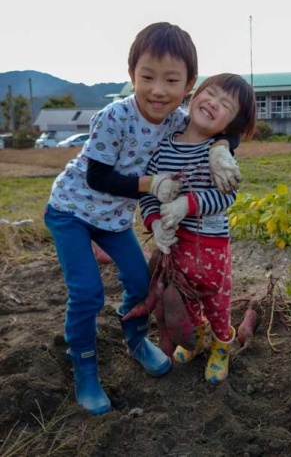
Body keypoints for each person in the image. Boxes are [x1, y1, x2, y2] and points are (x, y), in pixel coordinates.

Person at [44, 22, 242, 416]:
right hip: (71, 211)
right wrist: (151, 184)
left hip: (113, 220)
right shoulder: (114, 117)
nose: (158, 90)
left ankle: (136, 340)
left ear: (189, 84)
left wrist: (222, 149)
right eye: (147, 77)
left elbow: (220, 127)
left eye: (172, 80)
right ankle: (85, 367)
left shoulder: (178, 119)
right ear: (131, 73)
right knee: (87, 293)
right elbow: (96, 177)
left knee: (139, 281)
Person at [139, 73, 257, 384]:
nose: (213, 104)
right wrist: (154, 223)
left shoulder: (219, 155)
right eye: (211, 93)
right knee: (184, 297)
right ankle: (199, 335)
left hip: (211, 246)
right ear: (195, 94)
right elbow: (149, 193)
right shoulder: (162, 148)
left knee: (216, 300)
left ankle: (221, 344)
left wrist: (187, 205)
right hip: (175, 245)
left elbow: (227, 195)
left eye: (225, 105)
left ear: (229, 126)